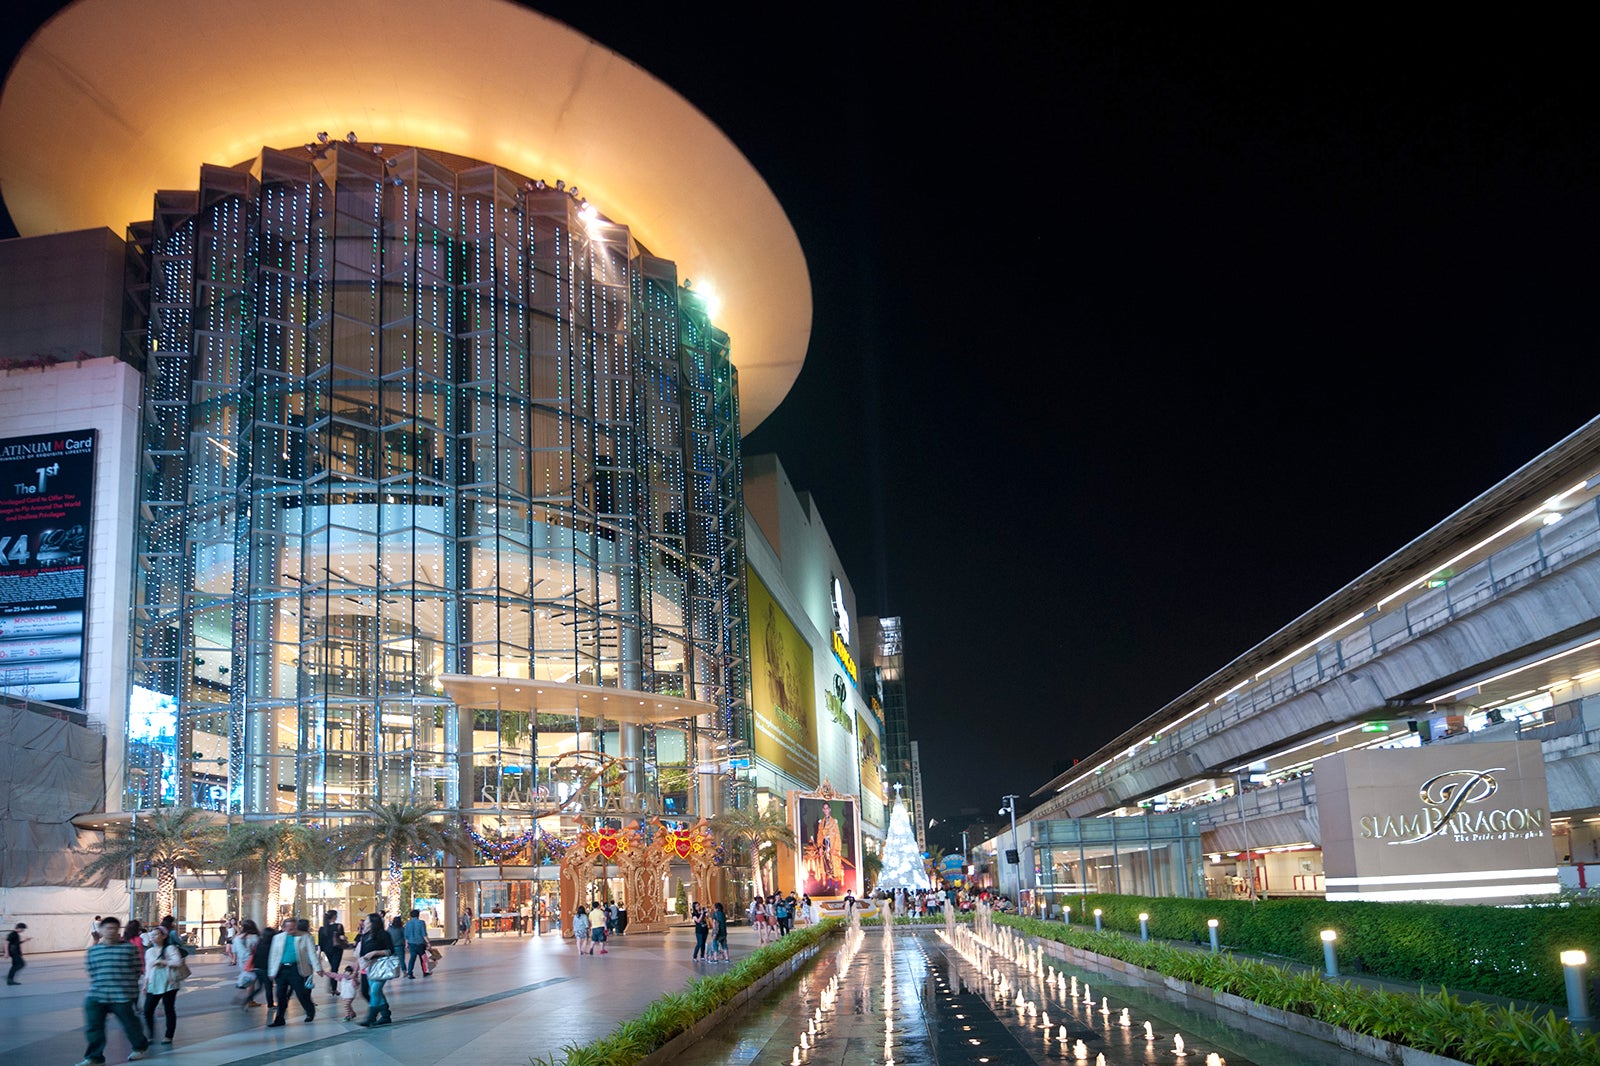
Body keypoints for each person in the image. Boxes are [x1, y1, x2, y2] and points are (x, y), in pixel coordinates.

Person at [78, 916, 151, 1065]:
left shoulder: (128, 948)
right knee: (94, 1026)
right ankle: (94, 1057)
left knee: (130, 1023)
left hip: (121, 995)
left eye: (114, 928)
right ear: (101, 930)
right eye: (108, 928)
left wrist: (130, 989)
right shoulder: (93, 951)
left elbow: (136, 968)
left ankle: (139, 1047)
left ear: (119, 930)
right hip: (98, 994)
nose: (111, 931)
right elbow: (92, 971)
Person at [266, 917, 319, 1026]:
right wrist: (271, 972)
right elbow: (273, 955)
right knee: (280, 994)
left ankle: (310, 1011)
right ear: (284, 928)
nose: (292, 931)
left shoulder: (305, 937)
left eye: (294, 928)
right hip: (282, 970)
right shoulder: (277, 938)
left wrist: (318, 968)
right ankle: (279, 1018)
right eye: (289, 929)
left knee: (301, 993)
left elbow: (312, 953)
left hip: (297, 969)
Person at [140, 924, 185, 1045]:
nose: (153, 937)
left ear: (164, 936)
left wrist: (163, 961)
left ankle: (168, 1035)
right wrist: (145, 983)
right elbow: (148, 968)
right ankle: (150, 1035)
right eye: (152, 935)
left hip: (169, 982)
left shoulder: (170, 949)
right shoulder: (149, 951)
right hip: (153, 982)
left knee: (168, 1008)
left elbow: (178, 962)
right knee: (147, 1010)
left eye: (156, 934)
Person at [356, 912, 396, 1028]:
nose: (364, 922)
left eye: (367, 920)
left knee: (374, 991)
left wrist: (375, 953)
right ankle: (385, 1015)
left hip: (381, 967)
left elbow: (390, 951)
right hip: (369, 968)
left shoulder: (384, 934)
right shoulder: (366, 936)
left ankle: (371, 1018)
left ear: (373, 922)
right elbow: (362, 953)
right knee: (377, 991)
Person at [247, 924, 276, 1012]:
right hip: (266, 969)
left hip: (257, 968)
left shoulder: (259, 942)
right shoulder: (271, 946)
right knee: (268, 987)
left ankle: (247, 999)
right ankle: (270, 1004)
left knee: (260, 987)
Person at [318, 909, 348, 995]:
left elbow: (320, 943)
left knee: (333, 967)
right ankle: (333, 988)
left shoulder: (322, 929)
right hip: (337, 950)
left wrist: (319, 954)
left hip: (328, 951)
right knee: (335, 968)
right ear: (334, 917)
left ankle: (332, 985)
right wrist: (343, 938)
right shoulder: (339, 926)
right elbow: (342, 937)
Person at [232, 919, 261, 1002]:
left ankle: (245, 997)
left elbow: (234, 950)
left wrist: (234, 959)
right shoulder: (255, 937)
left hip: (241, 961)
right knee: (251, 980)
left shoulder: (237, 938)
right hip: (252, 961)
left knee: (248, 978)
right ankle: (249, 1000)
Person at [402, 908, 430, 978]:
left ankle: (410, 973)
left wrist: (406, 944)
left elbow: (406, 936)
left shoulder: (407, 924)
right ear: (418, 915)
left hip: (411, 943)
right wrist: (428, 942)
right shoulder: (421, 922)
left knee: (412, 958)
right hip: (420, 943)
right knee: (423, 958)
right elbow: (424, 934)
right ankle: (425, 972)